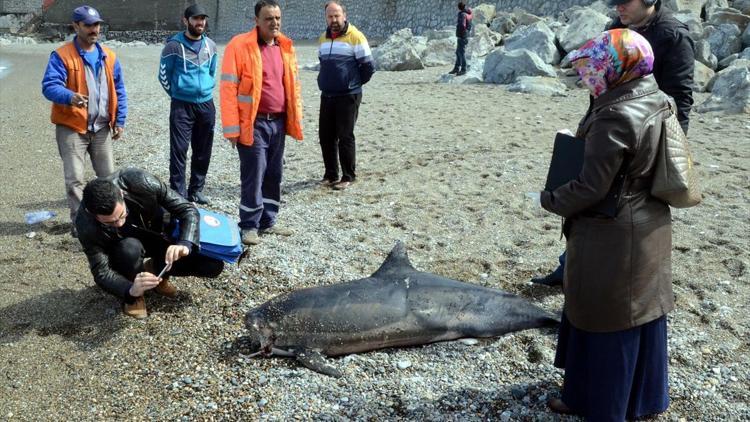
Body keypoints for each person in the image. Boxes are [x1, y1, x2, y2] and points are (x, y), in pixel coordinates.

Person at [540, 29, 674, 420]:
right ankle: (644, 399)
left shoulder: (615, 113)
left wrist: (548, 200)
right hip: (649, 222)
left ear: (616, 67)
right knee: (641, 314)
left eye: (592, 66)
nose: (586, 75)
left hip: (612, 232)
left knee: (604, 315)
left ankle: (597, 402)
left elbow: (590, 188)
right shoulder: (653, 95)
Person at [531, 0, 694, 286]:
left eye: (625, 1)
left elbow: (680, 98)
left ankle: (602, 279)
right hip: (609, 127)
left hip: (644, 139)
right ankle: (569, 267)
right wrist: (591, 128)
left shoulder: (673, 36)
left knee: (619, 211)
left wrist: (667, 151)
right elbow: (600, 83)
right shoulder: (618, 27)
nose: (617, 6)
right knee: (592, 203)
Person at [75, 168, 224, 319]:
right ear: (93, 214)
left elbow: (187, 209)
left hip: (158, 233)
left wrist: (185, 243)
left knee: (213, 265)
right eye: (110, 222)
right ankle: (136, 295)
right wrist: (130, 290)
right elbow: (101, 272)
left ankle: (157, 270)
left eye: (122, 214)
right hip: (124, 252)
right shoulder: (85, 225)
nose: (120, 223)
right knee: (129, 249)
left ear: (121, 194)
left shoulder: (141, 182)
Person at [220, 0, 304, 246]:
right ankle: (248, 225)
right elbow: (228, 89)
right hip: (253, 124)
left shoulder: (285, 46)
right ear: (256, 20)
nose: (274, 23)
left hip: (278, 123)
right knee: (253, 175)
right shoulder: (240, 45)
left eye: (277, 18)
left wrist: (293, 121)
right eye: (269, 18)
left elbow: (293, 87)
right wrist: (232, 129)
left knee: (274, 173)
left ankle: (269, 220)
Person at [41, 5, 128, 238]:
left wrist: (119, 120)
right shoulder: (61, 55)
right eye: (88, 25)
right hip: (72, 128)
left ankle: (112, 221)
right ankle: (82, 226)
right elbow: (49, 86)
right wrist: (69, 96)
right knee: (74, 180)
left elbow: (119, 89)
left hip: (101, 129)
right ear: (76, 26)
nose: (94, 29)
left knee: (110, 179)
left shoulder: (109, 56)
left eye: (97, 24)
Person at [158, 4, 218, 205]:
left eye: (202, 19)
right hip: (182, 105)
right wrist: (177, 94)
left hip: (206, 105)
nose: (200, 22)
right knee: (179, 150)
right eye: (195, 19)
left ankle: (196, 190)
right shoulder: (173, 46)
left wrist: (205, 90)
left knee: (203, 150)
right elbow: (163, 75)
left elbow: (212, 72)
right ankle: (178, 194)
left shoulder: (211, 45)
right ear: (186, 21)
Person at [317, 0, 375, 190]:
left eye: (337, 15)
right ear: (326, 17)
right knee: (326, 136)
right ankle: (331, 174)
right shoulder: (323, 39)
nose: (333, 19)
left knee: (345, 136)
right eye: (330, 16)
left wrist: (353, 84)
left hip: (348, 95)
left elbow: (368, 67)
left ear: (344, 15)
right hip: (327, 95)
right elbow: (323, 64)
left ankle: (348, 176)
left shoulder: (356, 37)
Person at [448, 2, 472, 76]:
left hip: (462, 35)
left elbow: (462, 25)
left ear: (459, 7)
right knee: (458, 52)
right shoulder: (468, 14)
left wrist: (460, 31)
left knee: (461, 52)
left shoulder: (462, 14)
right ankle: (456, 68)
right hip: (465, 35)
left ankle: (463, 69)